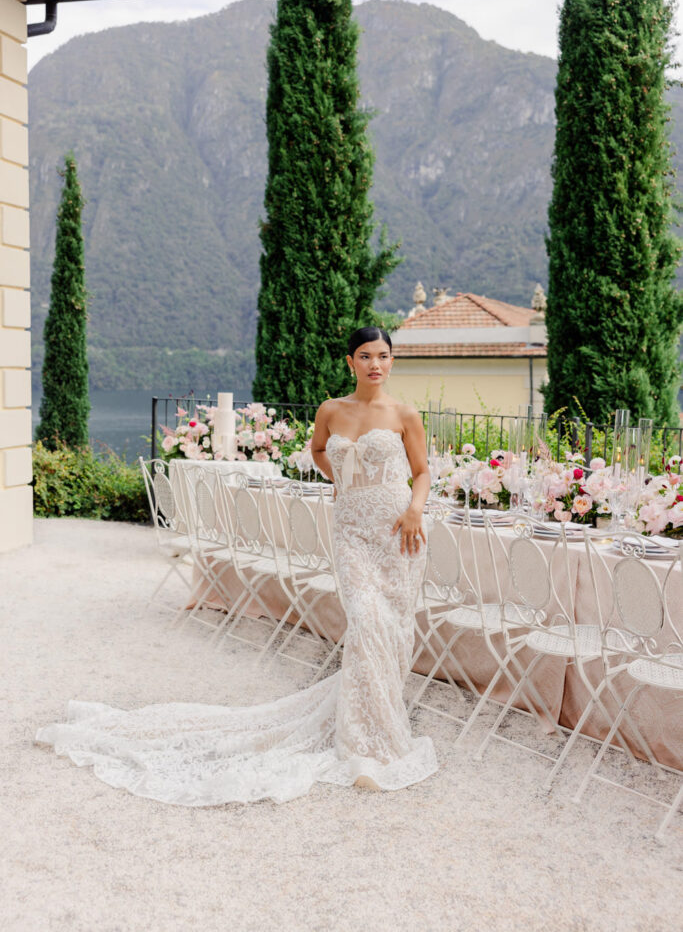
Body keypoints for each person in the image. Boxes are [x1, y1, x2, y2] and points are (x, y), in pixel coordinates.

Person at [35, 327, 437, 805]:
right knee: (366, 621)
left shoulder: (404, 414)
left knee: (390, 630)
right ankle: (365, 741)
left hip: (397, 531)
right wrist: (343, 481)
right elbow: (318, 450)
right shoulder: (331, 410)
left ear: (392, 361)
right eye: (366, 356)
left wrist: (415, 509)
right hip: (350, 532)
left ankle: (379, 732)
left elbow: (422, 472)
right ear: (350, 362)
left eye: (384, 356)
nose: (376, 365)